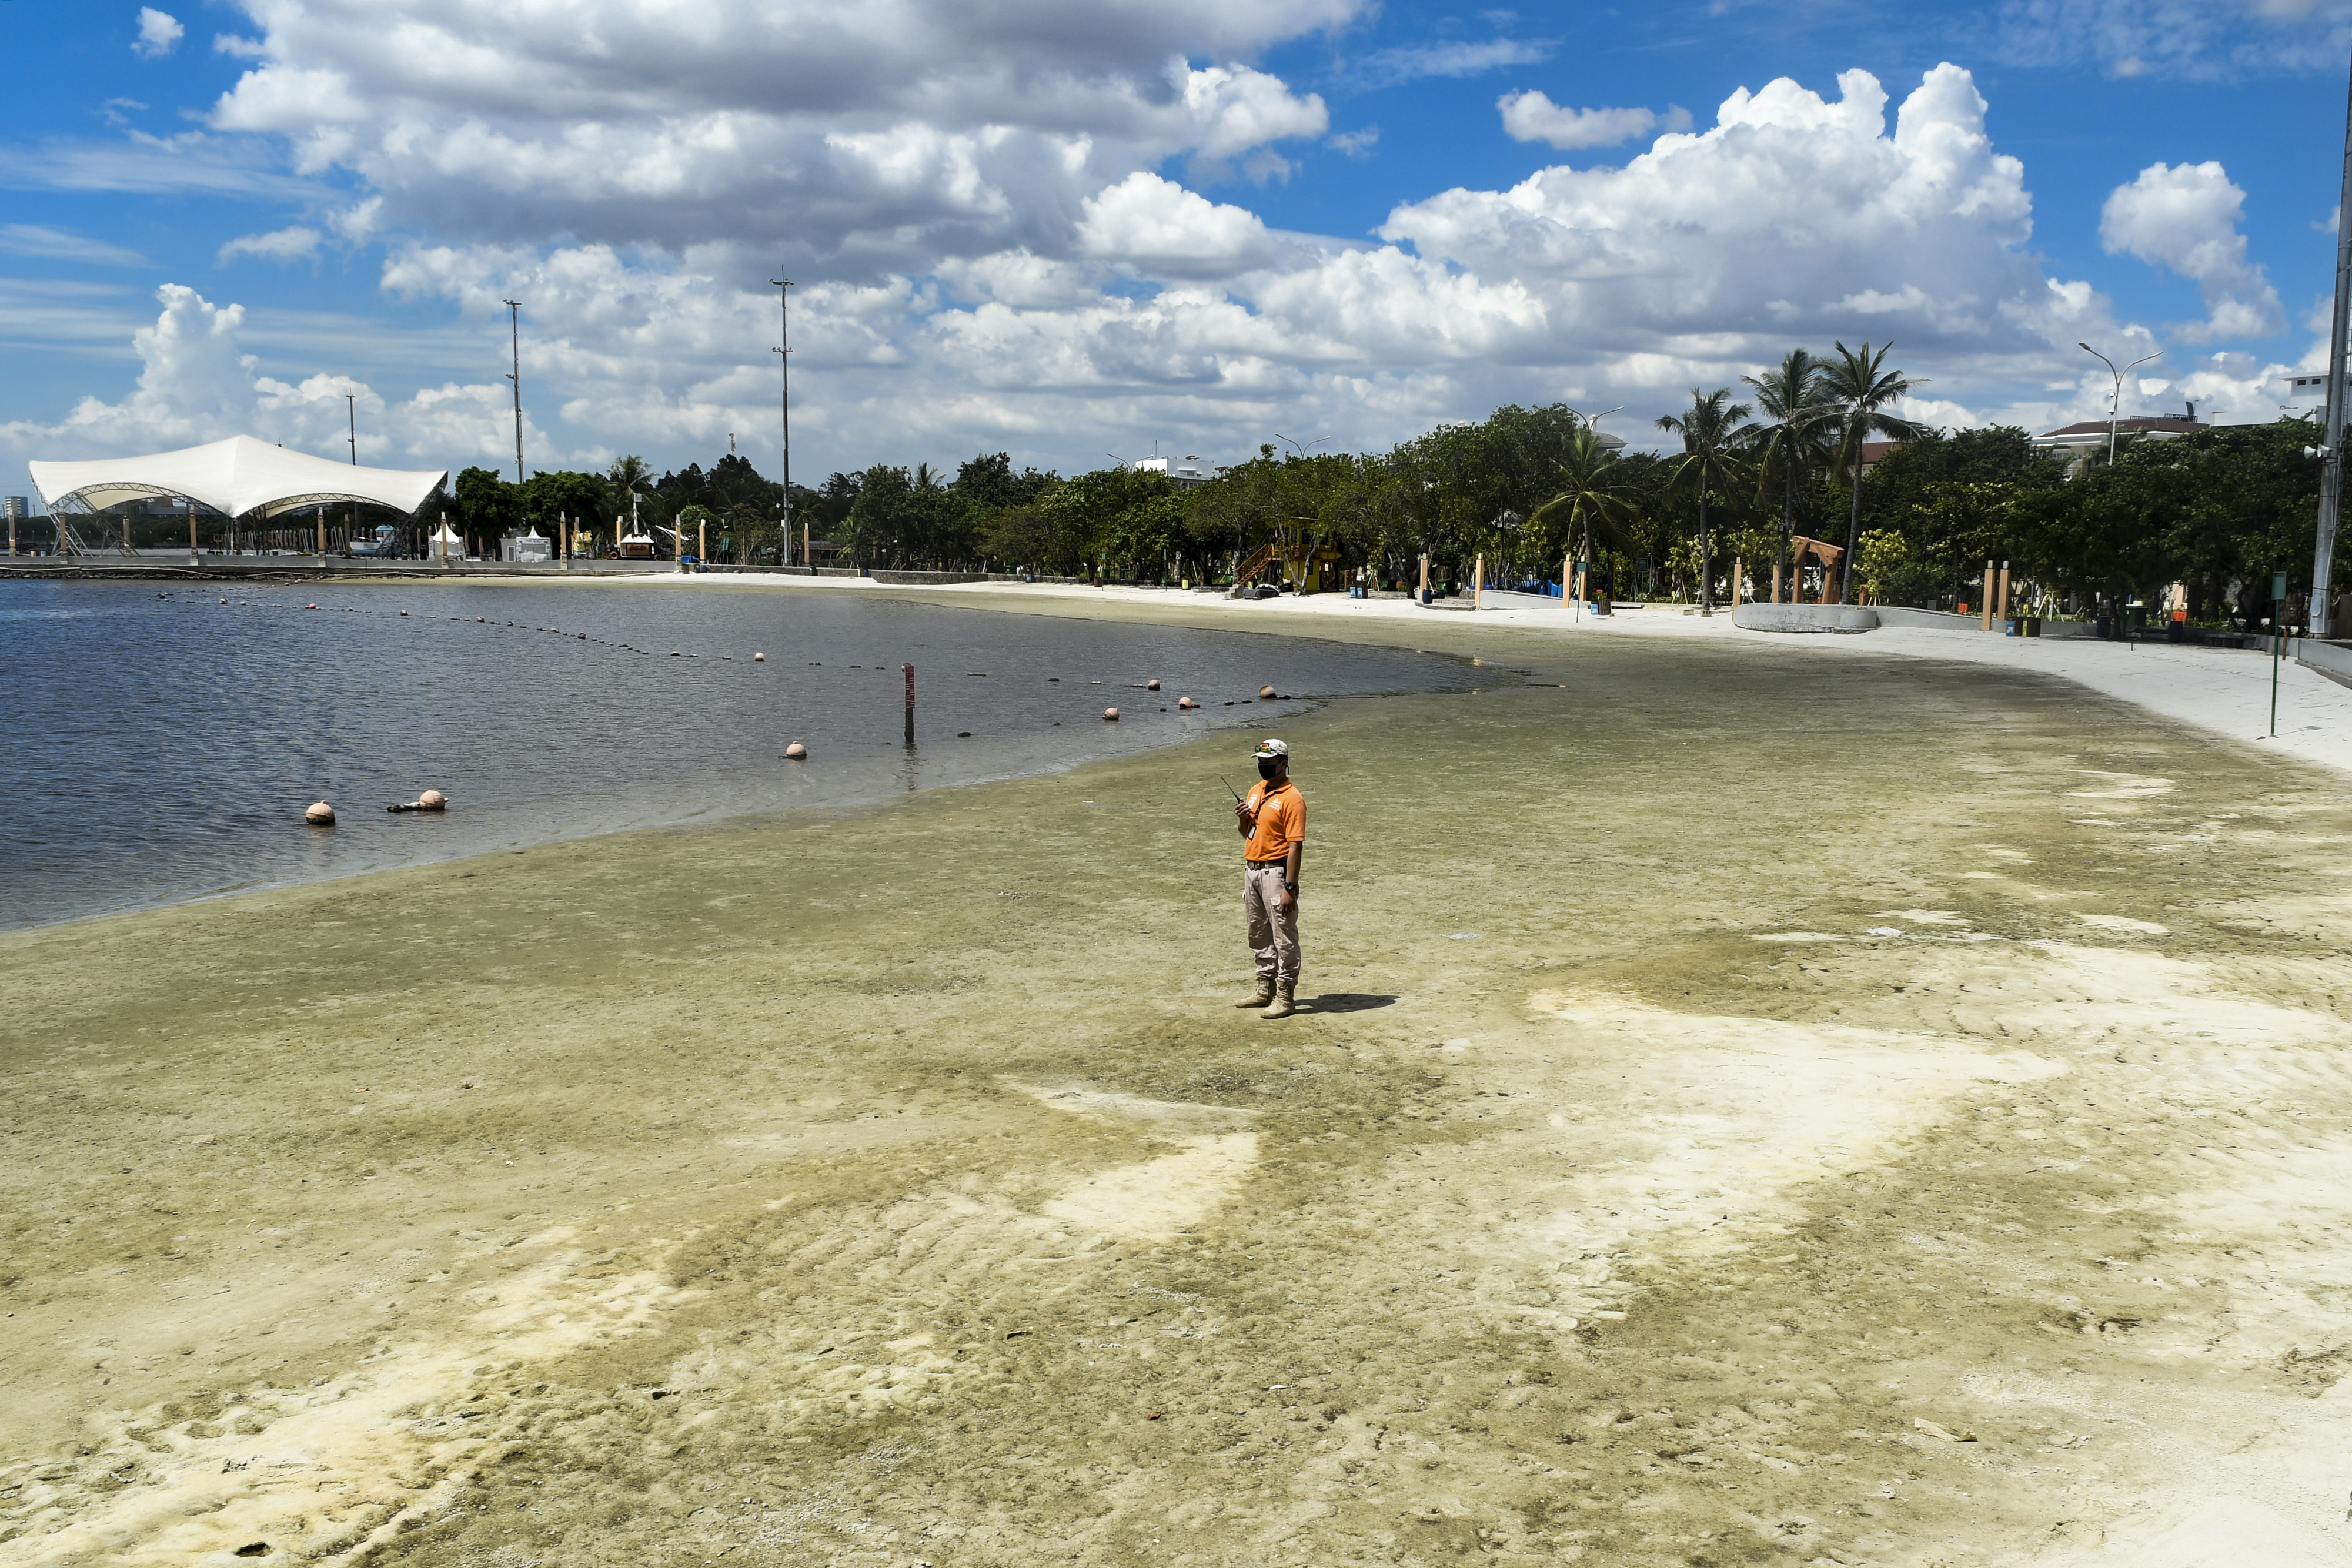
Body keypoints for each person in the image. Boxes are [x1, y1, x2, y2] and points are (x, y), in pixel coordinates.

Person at [1232, 737, 1305, 1019]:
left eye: (1269, 763)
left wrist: (1290, 885)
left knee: (1283, 934)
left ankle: (1286, 994)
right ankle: (1265, 988)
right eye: (1261, 763)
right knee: (1257, 931)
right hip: (1251, 869)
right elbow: (1247, 833)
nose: (1264, 767)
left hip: (1276, 871)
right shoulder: (1256, 791)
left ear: (1284, 764)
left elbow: (1296, 845)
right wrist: (1242, 818)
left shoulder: (1292, 799)